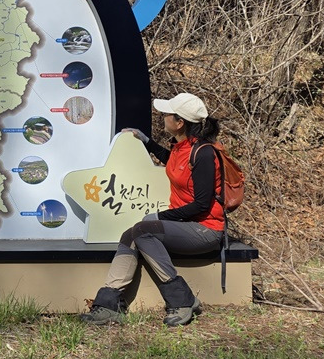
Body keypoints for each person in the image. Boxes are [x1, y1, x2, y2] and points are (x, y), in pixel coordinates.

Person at [80, 92, 224, 327]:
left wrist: (159, 216)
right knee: (130, 234)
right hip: (185, 225)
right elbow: (173, 163)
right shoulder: (181, 148)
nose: (162, 116)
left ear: (180, 122)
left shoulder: (204, 153)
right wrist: (146, 141)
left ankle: (183, 300)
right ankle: (109, 304)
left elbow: (201, 205)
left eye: (167, 114)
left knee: (143, 230)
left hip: (205, 230)